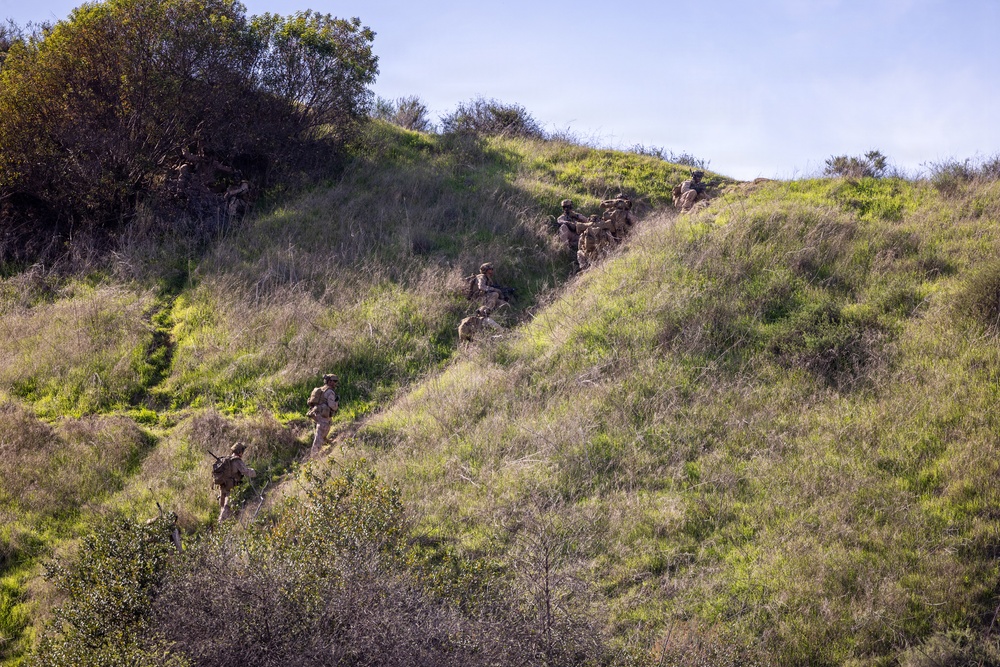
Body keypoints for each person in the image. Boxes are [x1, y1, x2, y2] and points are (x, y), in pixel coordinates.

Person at [214, 442, 256, 523]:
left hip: (222, 486)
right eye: (242, 451)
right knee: (227, 507)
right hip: (231, 487)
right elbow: (245, 471)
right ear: (240, 451)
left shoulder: (226, 459)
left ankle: (224, 524)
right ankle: (221, 524)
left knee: (222, 507)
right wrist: (254, 472)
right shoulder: (237, 461)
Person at [307, 373, 340, 456]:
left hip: (316, 414)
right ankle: (314, 456)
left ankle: (325, 441)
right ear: (329, 381)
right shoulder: (330, 392)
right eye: (334, 381)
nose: (335, 383)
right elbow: (332, 405)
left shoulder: (321, 389)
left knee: (325, 428)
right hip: (323, 415)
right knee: (319, 435)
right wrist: (336, 404)